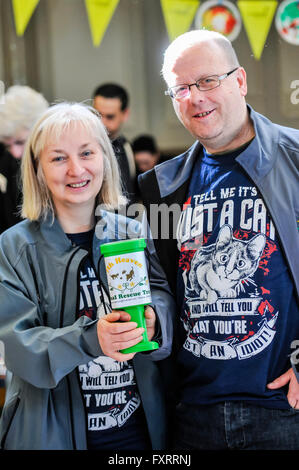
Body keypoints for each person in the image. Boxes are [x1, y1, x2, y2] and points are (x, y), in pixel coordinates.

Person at [139, 29, 299, 450]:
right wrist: (152, 319)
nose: (195, 97)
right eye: (181, 88)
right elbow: (160, 287)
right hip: (193, 413)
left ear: (240, 81)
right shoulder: (160, 187)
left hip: (284, 409)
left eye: (207, 81)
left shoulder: (296, 158)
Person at [0, 102, 175, 450]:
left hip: (137, 435)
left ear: (105, 160)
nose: (76, 169)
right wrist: (91, 339)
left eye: (86, 153)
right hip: (53, 435)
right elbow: (17, 348)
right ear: (37, 170)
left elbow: (161, 295)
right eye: (58, 158)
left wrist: (157, 319)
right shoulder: (15, 246)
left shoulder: (131, 233)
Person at [0, 85, 48, 233]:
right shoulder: (5, 162)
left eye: (20, 142)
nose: (15, 152)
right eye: (8, 145)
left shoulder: (54, 163)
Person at [92, 83, 136, 202]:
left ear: (125, 114)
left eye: (110, 117)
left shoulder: (127, 147)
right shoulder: (85, 150)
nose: (101, 122)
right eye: (97, 114)